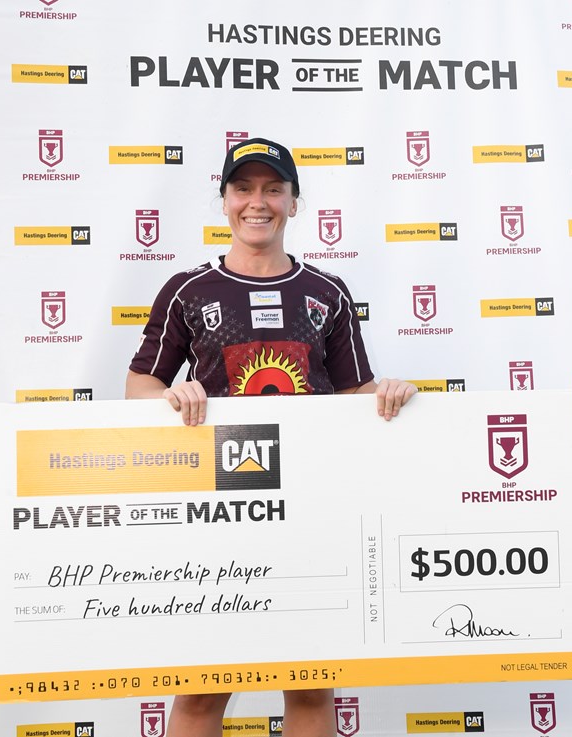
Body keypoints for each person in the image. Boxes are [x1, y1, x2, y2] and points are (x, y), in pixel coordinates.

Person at [125, 137, 417, 737]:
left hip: (310, 509)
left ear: (293, 202)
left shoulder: (327, 291)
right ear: (224, 200)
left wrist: (388, 393)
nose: (257, 202)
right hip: (218, 511)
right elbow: (140, 385)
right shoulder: (188, 289)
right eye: (243, 189)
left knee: (309, 687)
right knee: (201, 692)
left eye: (273, 189)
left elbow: (354, 393)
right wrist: (169, 398)